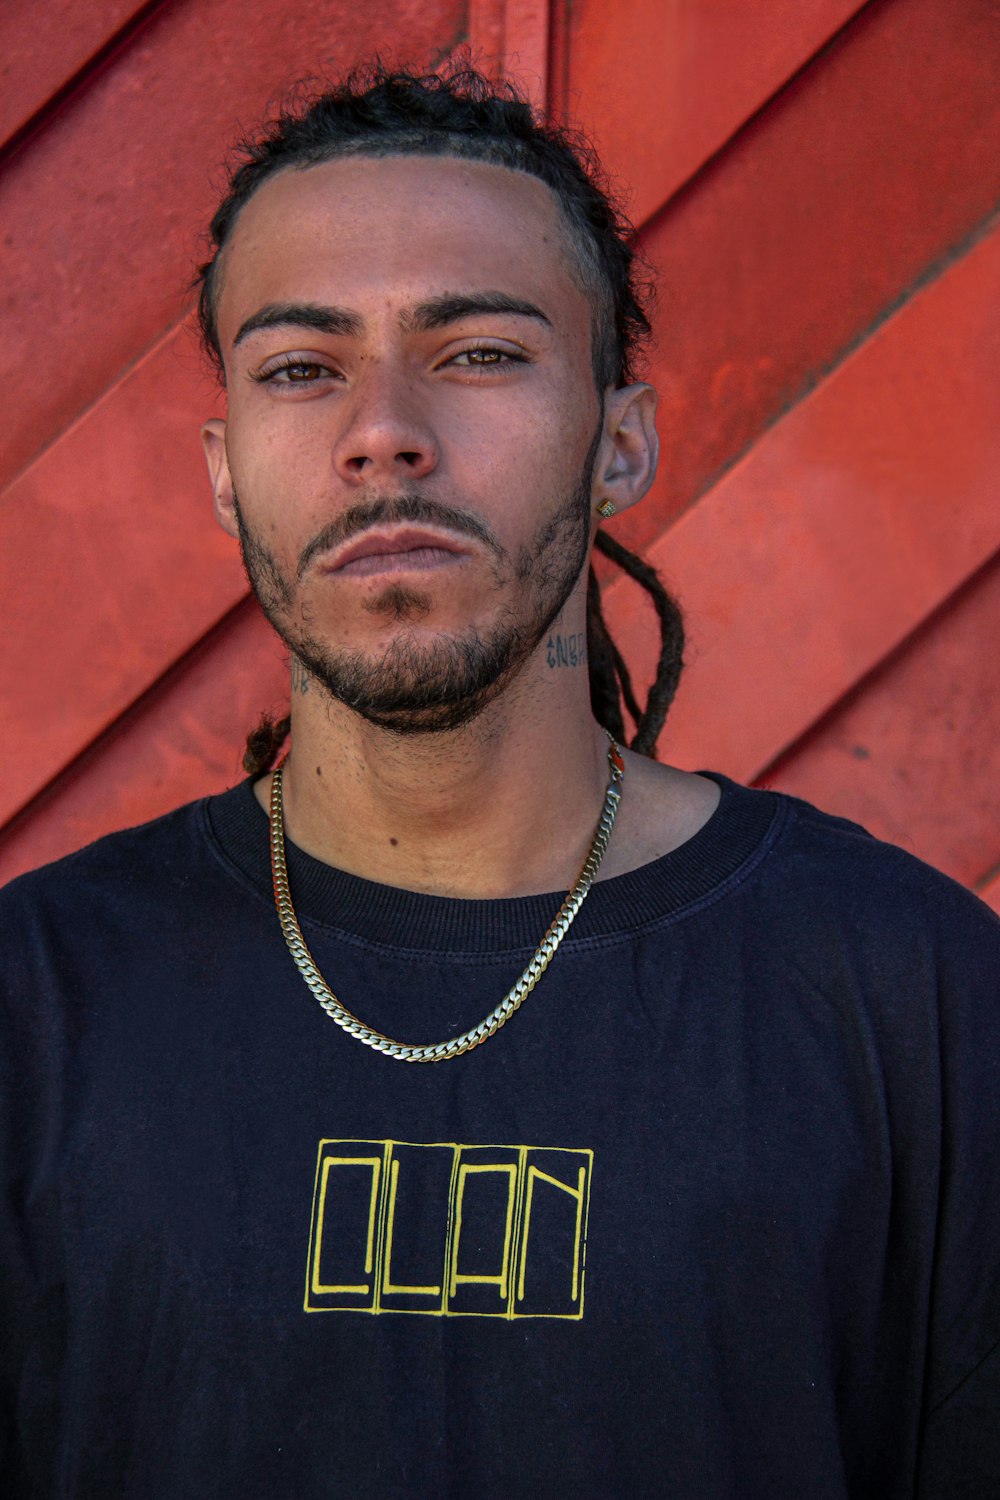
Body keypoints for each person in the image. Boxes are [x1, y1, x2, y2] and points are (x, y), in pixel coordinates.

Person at [1, 63, 998, 1500]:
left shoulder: (917, 1005)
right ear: (226, 474)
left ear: (623, 444)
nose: (385, 428)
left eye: (477, 353)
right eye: (301, 365)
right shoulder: (39, 1007)